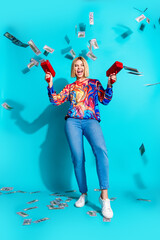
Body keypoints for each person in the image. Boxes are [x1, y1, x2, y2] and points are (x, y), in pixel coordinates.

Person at [45, 56, 116, 219]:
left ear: (85, 67)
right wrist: (50, 84)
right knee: (78, 158)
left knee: (101, 150)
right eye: (76, 65)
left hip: (91, 120)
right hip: (73, 122)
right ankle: (83, 193)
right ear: (73, 69)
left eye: (81, 65)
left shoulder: (94, 83)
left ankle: (104, 198)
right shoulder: (70, 87)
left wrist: (110, 84)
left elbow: (105, 100)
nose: (79, 68)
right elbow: (56, 101)